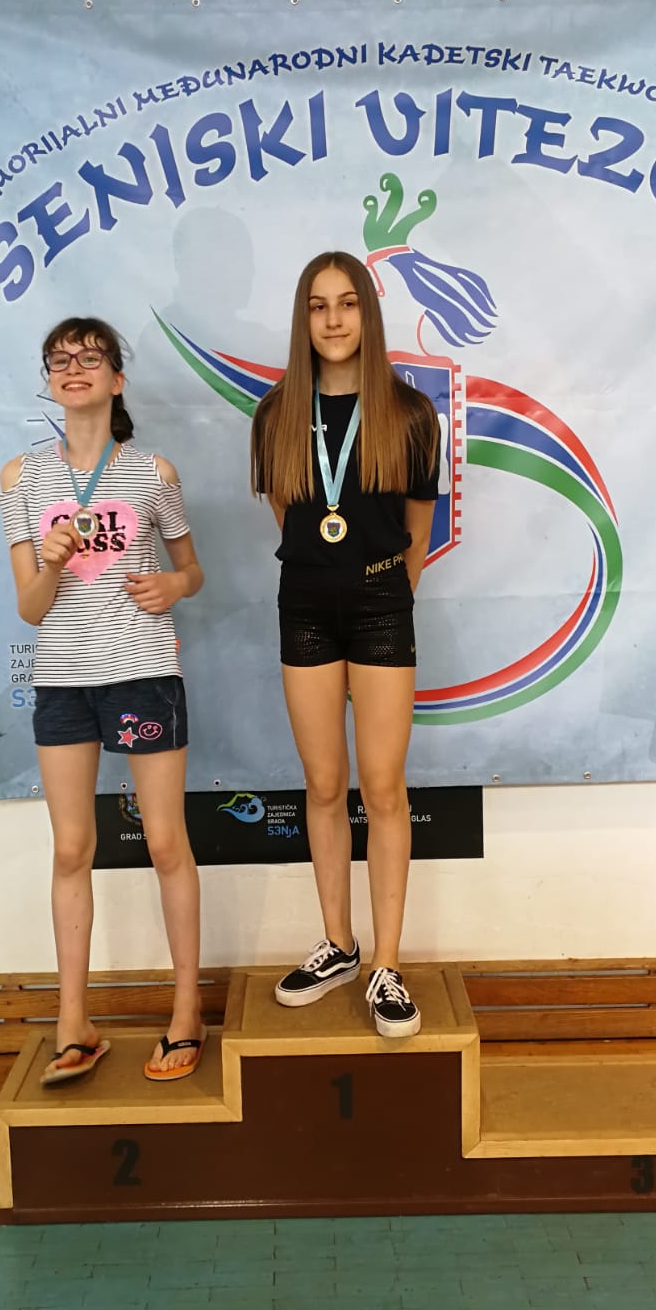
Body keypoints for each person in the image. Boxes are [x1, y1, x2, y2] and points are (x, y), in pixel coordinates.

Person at [0, 317, 205, 1085]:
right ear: (49, 380)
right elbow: (30, 608)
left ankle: (185, 1013)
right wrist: (51, 563)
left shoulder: (152, 472)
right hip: (62, 681)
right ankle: (73, 1022)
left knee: (165, 843)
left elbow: (192, 571)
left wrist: (173, 585)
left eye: (90, 357)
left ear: (117, 380)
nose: (73, 367)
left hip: (141, 671)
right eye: (59, 359)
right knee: (70, 850)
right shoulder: (21, 479)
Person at [250, 252, 439, 1037]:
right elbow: (286, 515)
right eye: (317, 305)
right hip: (304, 606)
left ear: (368, 313)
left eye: (347, 303)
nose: (332, 319)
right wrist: (328, 574)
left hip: (381, 604)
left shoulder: (408, 413)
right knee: (324, 784)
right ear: (303, 319)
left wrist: (380, 590)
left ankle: (387, 965)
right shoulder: (276, 414)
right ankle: (338, 944)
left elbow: (417, 530)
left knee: (383, 787)